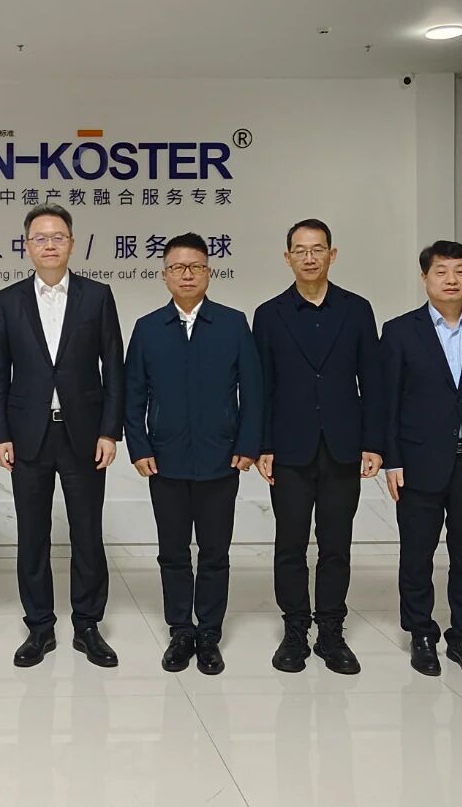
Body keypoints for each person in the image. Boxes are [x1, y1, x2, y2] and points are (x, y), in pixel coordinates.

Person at [0, 203, 125, 669]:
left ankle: (87, 625)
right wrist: (0, 434)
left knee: (87, 531)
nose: (50, 245)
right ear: (27, 245)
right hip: (27, 435)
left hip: (84, 434)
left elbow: (114, 367)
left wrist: (110, 431)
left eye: (58, 237)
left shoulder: (97, 296)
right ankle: (39, 627)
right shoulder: (8, 300)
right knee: (33, 534)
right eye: (40, 238)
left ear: (72, 243)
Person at [124, 232, 261, 676]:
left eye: (196, 267)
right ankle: (181, 630)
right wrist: (139, 447)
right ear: (164, 275)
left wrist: (247, 444)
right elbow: (132, 395)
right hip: (165, 460)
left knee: (215, 552)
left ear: (209, 272)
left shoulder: (233, 324)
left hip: (221, 458)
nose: (187, 274)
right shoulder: (148, 328)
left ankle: (209, 634)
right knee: (173, 551)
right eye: (178, 268)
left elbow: (254, 391)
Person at [252, 218, 383, 675]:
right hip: (288, 449)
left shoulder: (357, 310)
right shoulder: (269, 314)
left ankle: (331, 631)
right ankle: (294, 630)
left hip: (343, 446)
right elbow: (261, 387)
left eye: (318, 249)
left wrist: (374, 443)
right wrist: (263, 444)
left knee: (336, 543)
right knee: (289, 543)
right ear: (287, 256)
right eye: (301, 250)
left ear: (332, 254)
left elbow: (373, 381)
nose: (309, 257)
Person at [382, 240, 462, 680]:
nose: (451, 280)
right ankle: (421, 634)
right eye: (441, 271)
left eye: (460, 271)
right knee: (416, 555)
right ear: (425, 278)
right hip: (418, 463)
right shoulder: (400, 331)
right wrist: (392, 460)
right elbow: (389, 403)